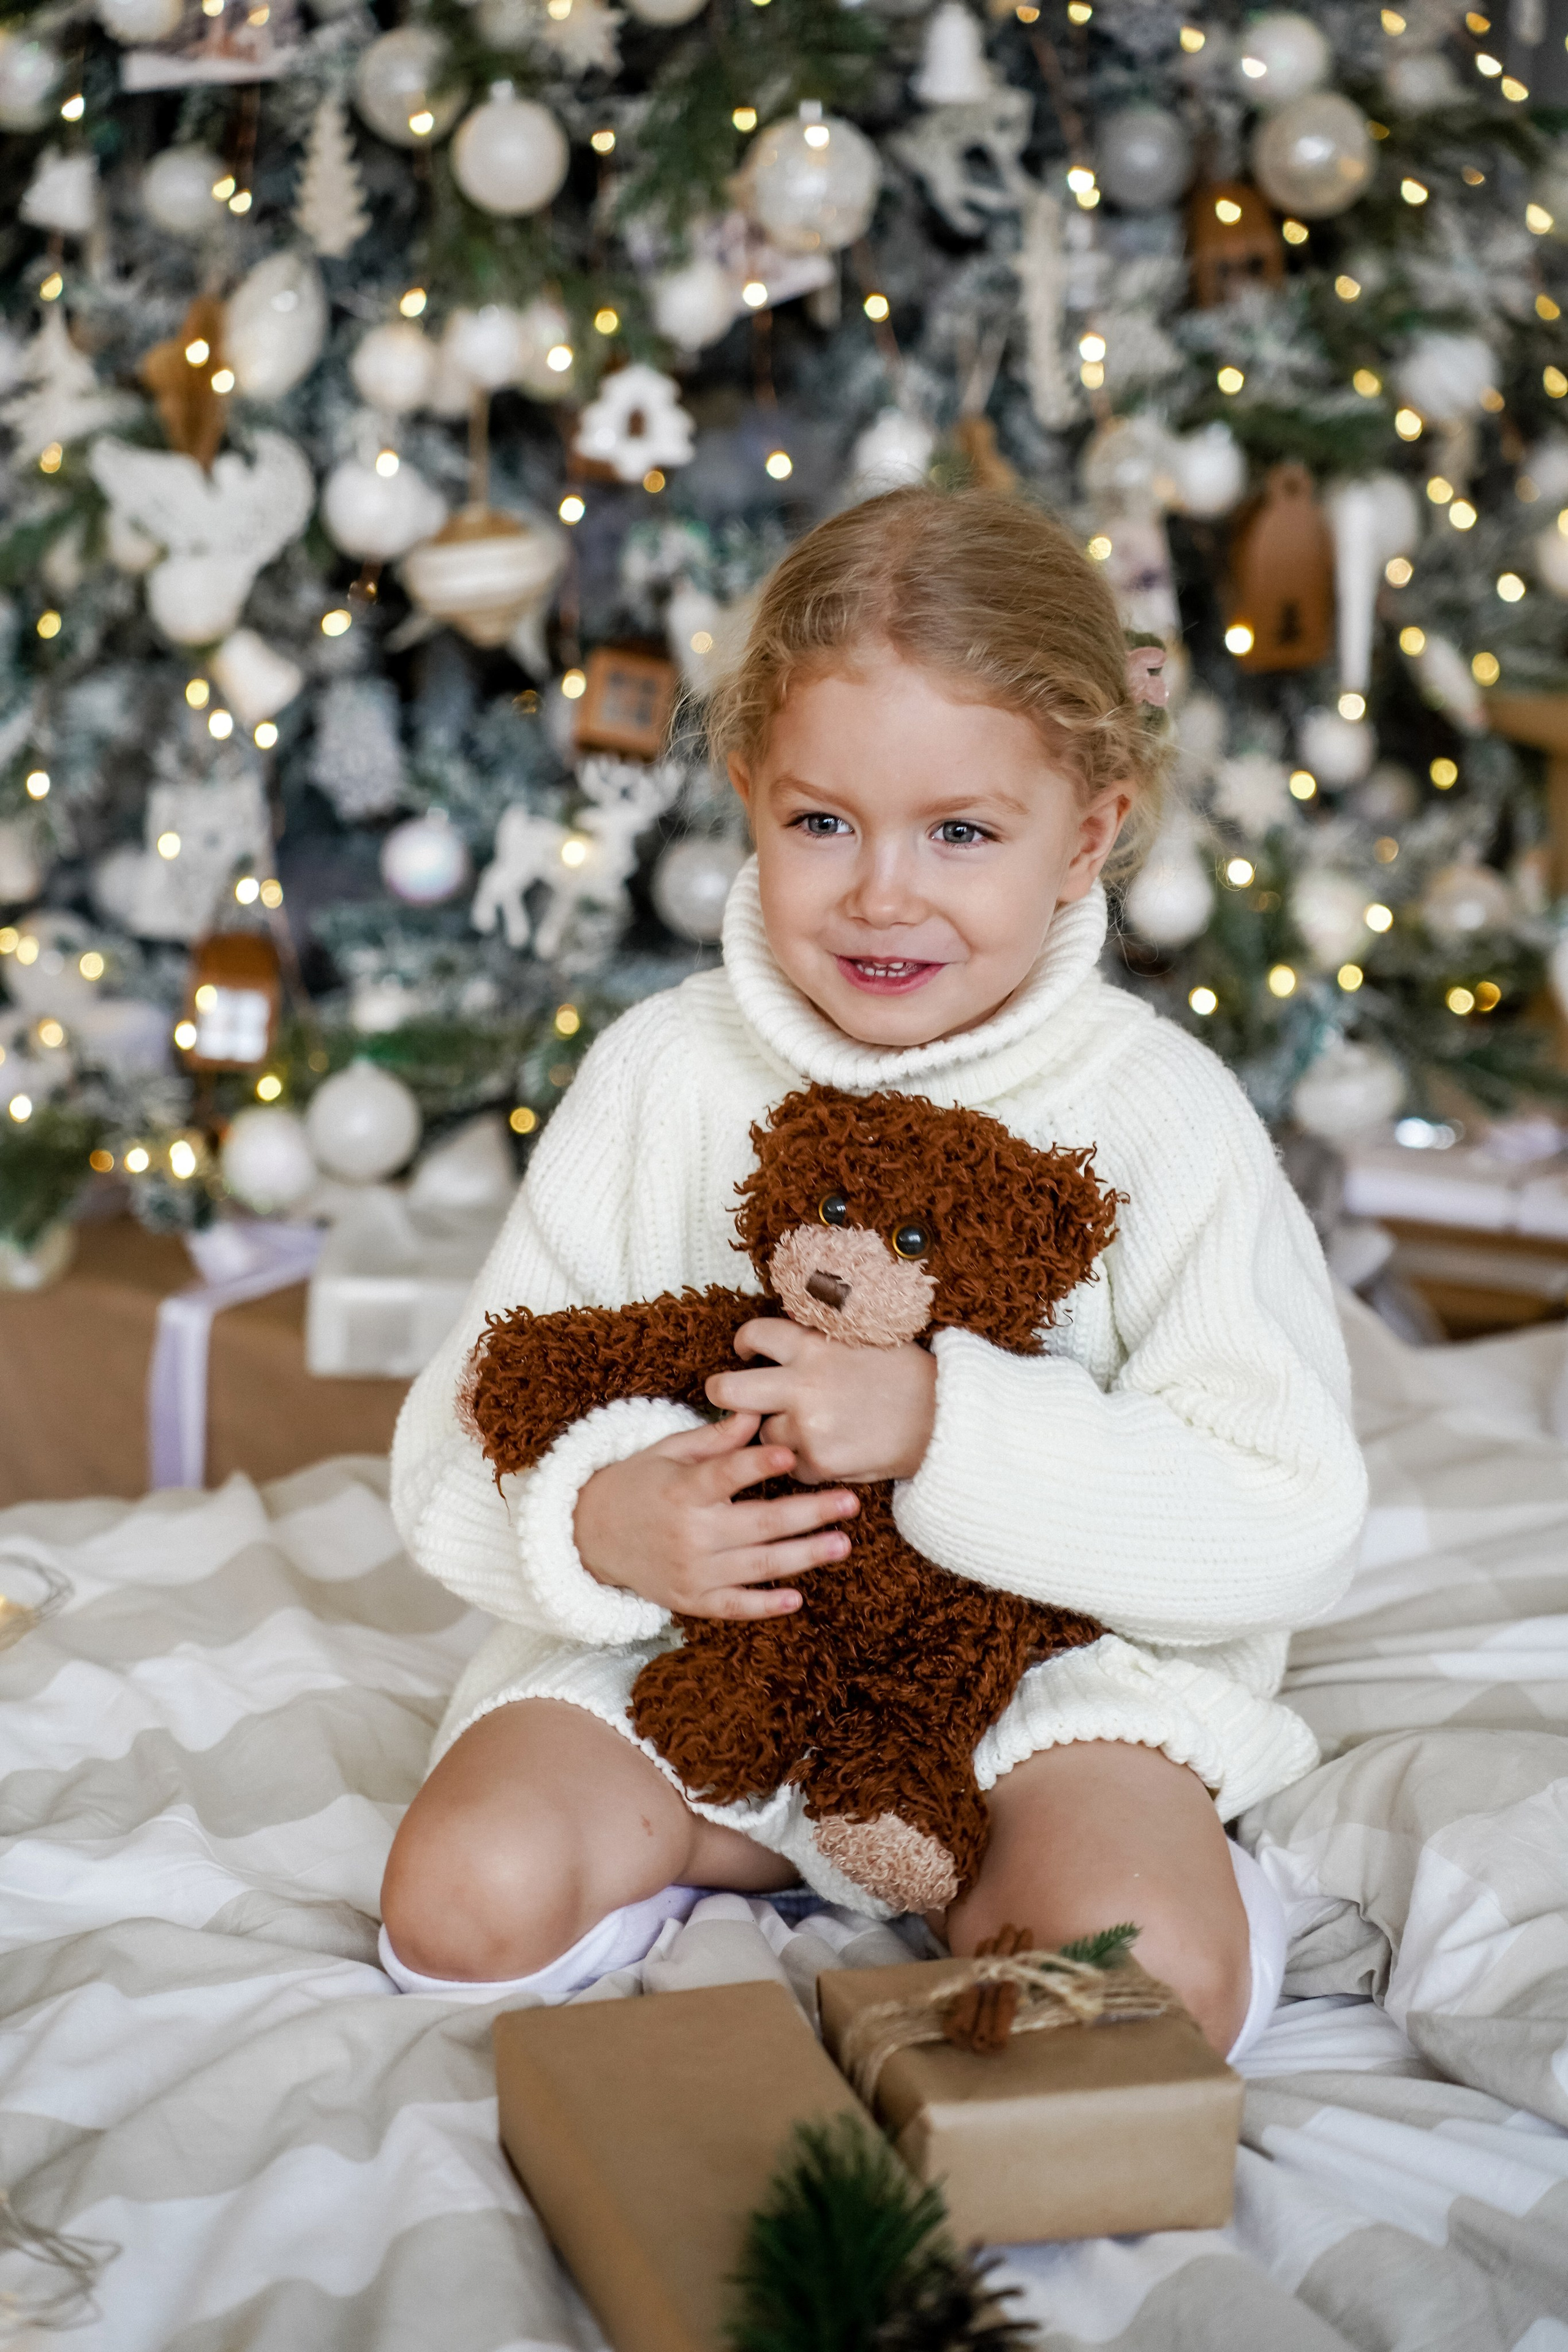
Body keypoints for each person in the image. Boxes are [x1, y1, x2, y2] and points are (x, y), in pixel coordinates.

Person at [380, 487, 1366, 2059]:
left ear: (1087, 833)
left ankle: (1020, 1873)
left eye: (961, 832)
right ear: (751, 794)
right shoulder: (660, 1077)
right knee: (459, 1898)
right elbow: (455, 1434)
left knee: (1139, 1984)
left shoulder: (1153, 1111)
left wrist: (940, 1433)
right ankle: (738, 1841)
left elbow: (1291, 1515)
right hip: (699, 1675)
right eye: (819, 822)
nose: (881, 894)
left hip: (1039, 1704)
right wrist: (599, 1520)